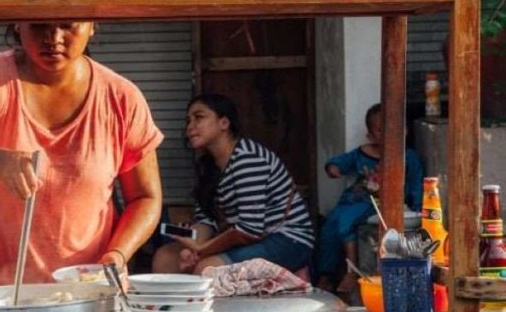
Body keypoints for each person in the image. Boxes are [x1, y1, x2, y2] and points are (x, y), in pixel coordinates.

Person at [0, 21, 164, 288]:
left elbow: (145, 197)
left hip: (86, 291)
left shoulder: (122, 97)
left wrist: (117, 254)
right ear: (18, 24)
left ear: (92, 25)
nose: (53, 37)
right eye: (40, 25)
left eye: (67, 25)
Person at [152, 93, 314, 275]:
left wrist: (204, 249)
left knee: (207, 270)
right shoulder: (209, 166)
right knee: (165, 257)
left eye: (199, 117)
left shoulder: (248, 159)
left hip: (286, 240)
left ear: (224, 123)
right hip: (243, 240)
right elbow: (206, 219)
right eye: (188, 120)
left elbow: (250, 229)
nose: (190, 126)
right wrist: (192, 243)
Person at [316, 103, 424, 293]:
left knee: (344, 223)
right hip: (352, 201)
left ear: (405, 130)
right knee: (328, 230)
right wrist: (333, 169)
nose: (390, 134)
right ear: (371, 135)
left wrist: (417, 210)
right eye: (382, 130)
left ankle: (352, 272)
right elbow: (338, 163)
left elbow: (416, 185)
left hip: (376, 204)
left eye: (396, 127)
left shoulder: (409, 157)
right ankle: (326, 275)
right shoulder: (362, 153)